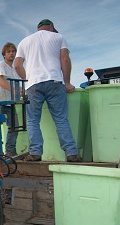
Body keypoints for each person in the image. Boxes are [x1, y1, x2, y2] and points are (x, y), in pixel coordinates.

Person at [13, 19, 80, 162]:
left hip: (33, 85)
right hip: (55, 81)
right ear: (51, 27)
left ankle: (35, 153)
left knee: (32, 121)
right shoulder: (59, 37)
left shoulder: (24, 41)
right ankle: (71, 153)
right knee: (61, 119)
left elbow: (17, 65)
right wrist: (67, 82)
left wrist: (29, 78)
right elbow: (65, 60)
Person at [0, 42, 22, 156]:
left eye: (13, 51)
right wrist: (14, 90)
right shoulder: (0, 65)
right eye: (8, 52)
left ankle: (10, 152)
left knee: (14, 127)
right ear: (4, 54)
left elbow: (19, 85)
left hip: (10, 103)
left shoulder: (14, 70)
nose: (11, 53)